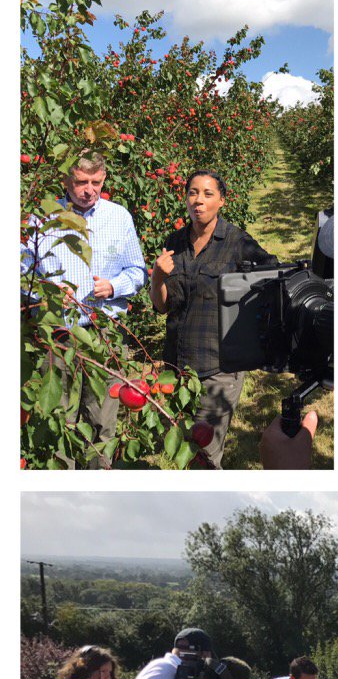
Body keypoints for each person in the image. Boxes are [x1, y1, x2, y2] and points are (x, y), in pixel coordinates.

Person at [21, 152, 146, 468]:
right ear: (66, 180)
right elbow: (21, 274)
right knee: (56, 412)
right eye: (81, 181)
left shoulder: (119, 218)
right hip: (55, 332)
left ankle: (98, 475)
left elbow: (137, 271)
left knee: (101, 414)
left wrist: (115, 286)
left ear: (104, 180)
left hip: (103, 331)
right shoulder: (42, 219)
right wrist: (46, 291)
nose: (89, 189)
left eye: (96, 182)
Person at [150, 171, 278, 468]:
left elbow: (273, 277)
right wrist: (157, 278)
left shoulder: (237, 242)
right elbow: (163, 306)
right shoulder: (175, 242)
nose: (199, 200)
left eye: (208, 194)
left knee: (203, 455)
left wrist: (249, 328)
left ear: (222, 200)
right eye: (193, 192)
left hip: (218, 365)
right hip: (177, 365)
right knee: (181, 441)